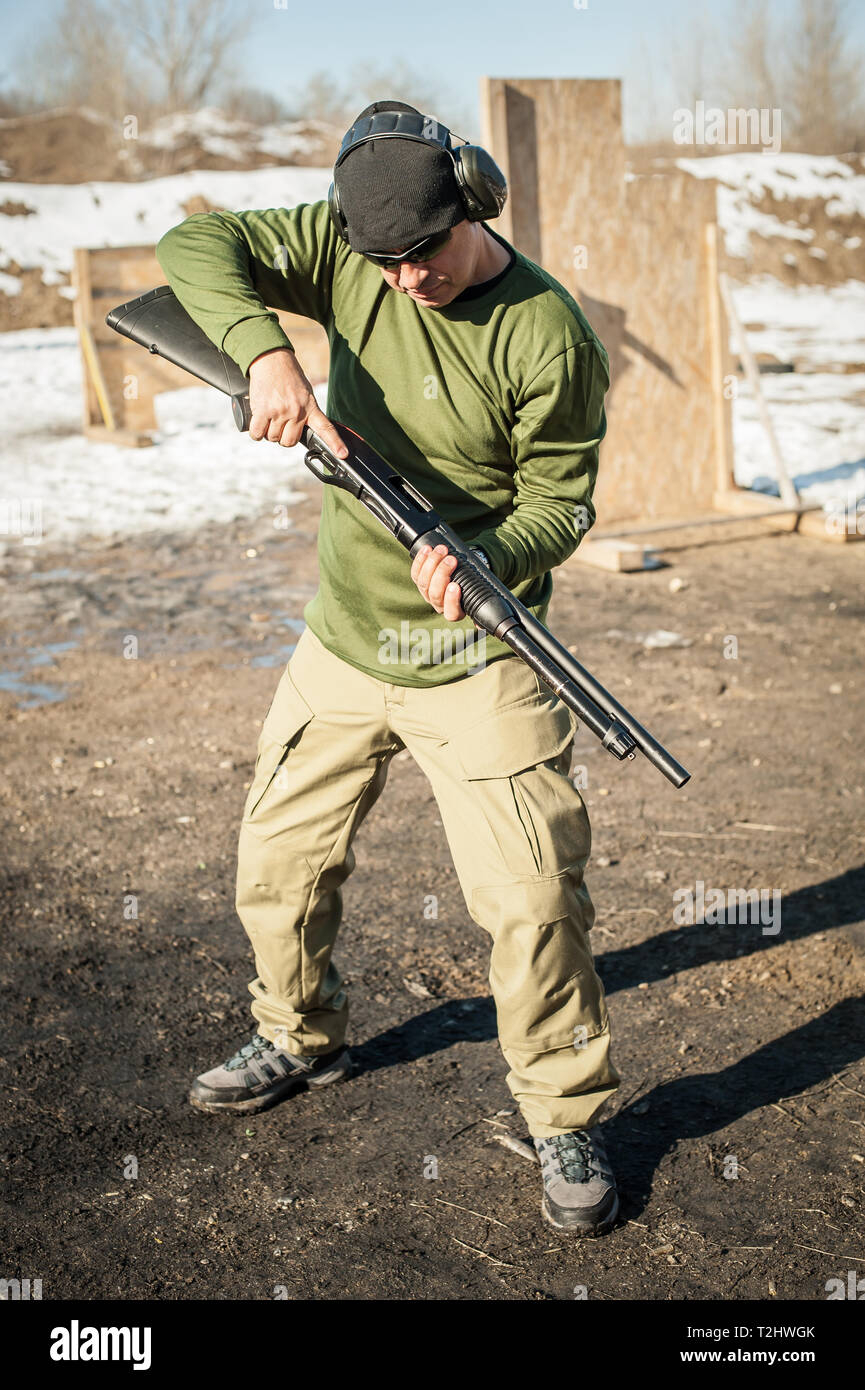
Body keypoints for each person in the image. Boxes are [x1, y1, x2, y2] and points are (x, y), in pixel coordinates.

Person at [156, 99, 619, 1235]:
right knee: (276, 862)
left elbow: (560, 501)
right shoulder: (347, 249)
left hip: (479, 653)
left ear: (475, 202)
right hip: (346, 638)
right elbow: (192, 245)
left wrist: (489, 554)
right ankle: (298, 1033)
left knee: (533, 898)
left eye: (428, 251)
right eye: (383, 261)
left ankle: (563, 1111)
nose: (408, 279)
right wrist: (266, 353)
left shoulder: (546, 333)